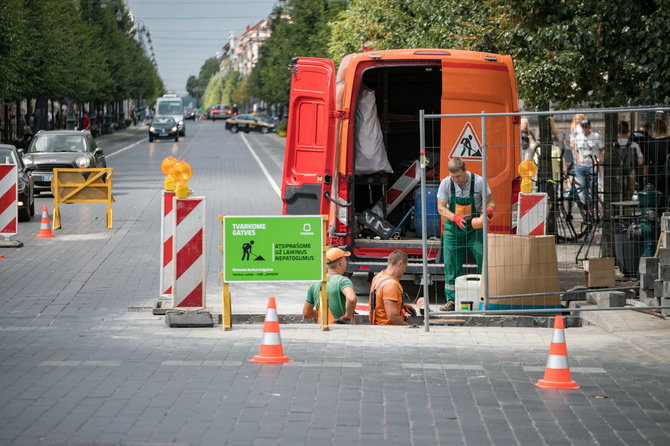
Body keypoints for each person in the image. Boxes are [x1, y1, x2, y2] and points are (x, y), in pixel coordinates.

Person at [437, 157, 494, 311]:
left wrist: (487, 211)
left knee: (484, 260)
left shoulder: (479, 182)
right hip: (453, 229)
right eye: (453, 176)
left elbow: (490, 201)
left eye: (459, 176)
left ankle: (485, 298)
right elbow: (441, 208)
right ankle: (452, 301)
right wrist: (454, 217)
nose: (456, 180)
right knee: (451, 265)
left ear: (465, 171)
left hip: (474, 229)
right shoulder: (446, 183)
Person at [303, 248, 357, 324]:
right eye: (345, 259)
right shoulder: (343, 281)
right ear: (340, 262)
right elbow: (351, 299)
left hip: (323, 331)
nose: (346, 262)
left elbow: (306, 313)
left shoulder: (315, 284)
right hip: (342, 331)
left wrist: (324, 315)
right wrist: (347, 316)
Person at [369, 250, 409, 325]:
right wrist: (408, 327)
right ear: (400, 263)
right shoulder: (391, 285)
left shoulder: (379, 276)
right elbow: (392, 317)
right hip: (388, 328)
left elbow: (380, 302)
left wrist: (401, 306)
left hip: (377, 325)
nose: (405, 270)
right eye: (405, 266)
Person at [574, 119, 604, 204]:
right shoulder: (578, 137)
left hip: (592, 165)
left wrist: (597, 161)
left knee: (593, 187)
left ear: (590, 127)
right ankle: (586, 207)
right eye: (583, 127)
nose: (585, 128)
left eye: (586, 126)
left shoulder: (596, 136)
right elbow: (576, 150)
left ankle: (594, 206)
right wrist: (577, 161)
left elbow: (601, 149)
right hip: (581, 165)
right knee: (583, 188)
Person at [644, 118, 669, 210]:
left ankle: (655, 216)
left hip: (653, 171)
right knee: (666, 195)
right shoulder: (668, 141)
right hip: (666, 171)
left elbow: (646, 161)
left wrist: (645, 175)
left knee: (654, 196)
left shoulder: (649, 142)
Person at [617, 121, 644, 201]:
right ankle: (627, 212)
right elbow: (640, 161)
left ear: (618, 131)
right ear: (628, 131)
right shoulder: (634, 144)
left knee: (618, 196)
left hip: (616, 174)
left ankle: (618, 211)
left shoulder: (613, 144)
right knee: (628, 196)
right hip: (631, 173)